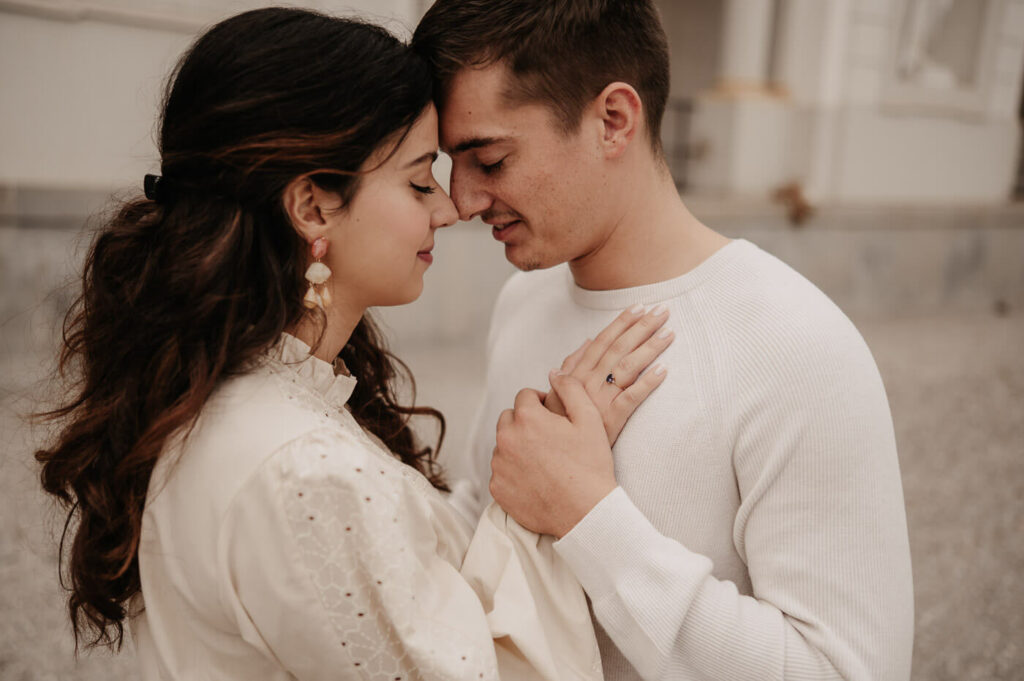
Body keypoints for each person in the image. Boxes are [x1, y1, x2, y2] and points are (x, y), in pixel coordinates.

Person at [33, 8, 675, 680]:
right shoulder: (304, 469)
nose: (449, 207)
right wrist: (557, 492)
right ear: (312, 206)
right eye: (418, 179)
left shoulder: (242, 395)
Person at [413, 1, 915, 680]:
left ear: (613, 119)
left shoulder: (796, 345)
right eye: (451, 164)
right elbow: (489, 509)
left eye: (491, 160)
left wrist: (590, 517)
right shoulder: (524, 299)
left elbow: (844, 670)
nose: (464, 201)